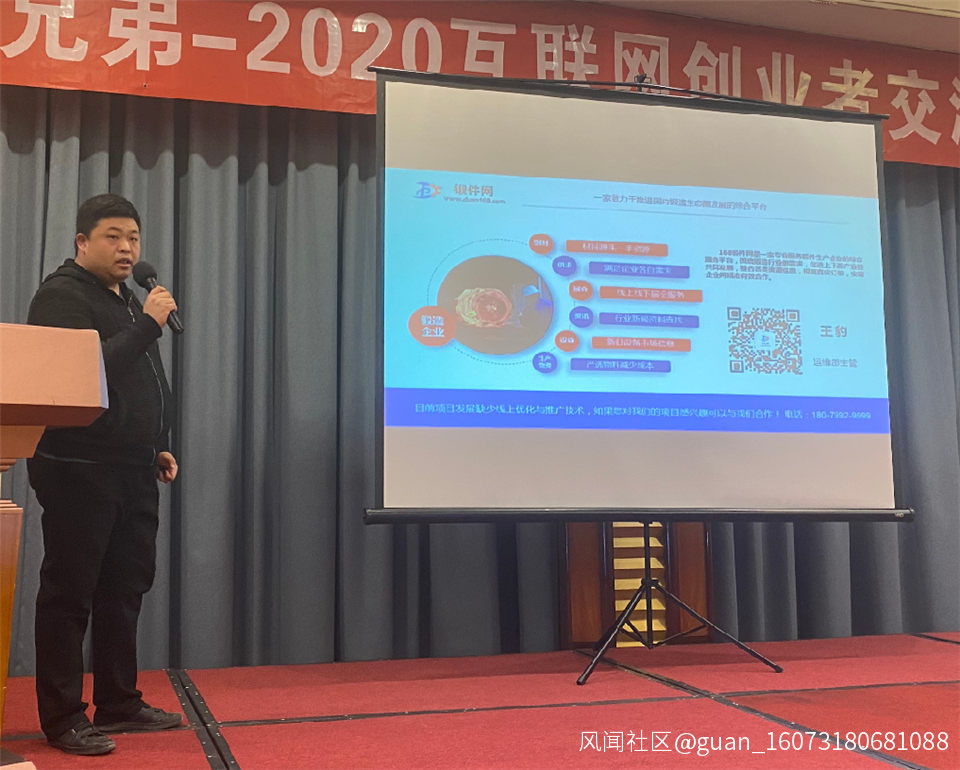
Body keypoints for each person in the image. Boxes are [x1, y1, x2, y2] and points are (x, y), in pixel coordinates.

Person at [26, 194, 182, 756]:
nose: (126, 249)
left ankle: (118, 701)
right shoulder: (62, 296)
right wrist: (149, 325)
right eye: (113, 236)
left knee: (124, 588)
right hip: (79, 470)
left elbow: (135, 383)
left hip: (131, 467)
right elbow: (82, 373)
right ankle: (63, 716)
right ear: (82, 242)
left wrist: (154, 444)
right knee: (70, 594)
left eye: (133, 238)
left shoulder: (127, 298)